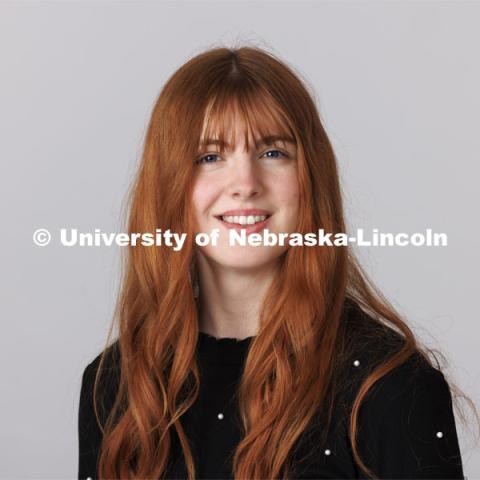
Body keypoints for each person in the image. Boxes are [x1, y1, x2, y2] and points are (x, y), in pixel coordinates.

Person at [78, 46, 468, 479]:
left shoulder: (392, 387)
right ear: (168, 187)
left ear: (310, 179)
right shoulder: (116, 384)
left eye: (272, 153)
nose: (244, 183)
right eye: (210, 157)